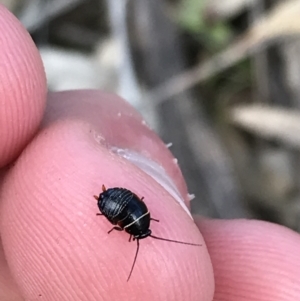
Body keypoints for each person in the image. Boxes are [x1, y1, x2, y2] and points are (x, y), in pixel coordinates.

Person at [0, 4, 299, 301]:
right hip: (114, 200)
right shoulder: (136, 222)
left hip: (115, 201)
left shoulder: (140, 221)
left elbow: (134, 208)